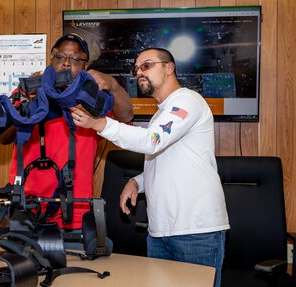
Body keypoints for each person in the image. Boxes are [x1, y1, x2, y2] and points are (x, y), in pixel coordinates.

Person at [70, 47, 229, 287]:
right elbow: (166, 160)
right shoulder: (162, 114)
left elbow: (151, 141)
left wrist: (101, 123)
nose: (139, 72)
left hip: (195, 231)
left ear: (169, 68)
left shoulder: (187, 101)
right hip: (159, 232)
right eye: (136, 69)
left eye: (147, 65)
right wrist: (138, 182)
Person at [0, 33, 133, 230]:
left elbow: (127, 115)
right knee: (21, 259)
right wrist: (30, 102)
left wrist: (112, 84)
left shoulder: (91, 99)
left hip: (74, 207)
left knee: (75, 260)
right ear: (51, 62)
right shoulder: (30, 90)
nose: (67, 64)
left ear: (86, 66)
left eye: (76, 59)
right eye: (60, 57)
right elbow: (3, 137)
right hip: (26, 205)